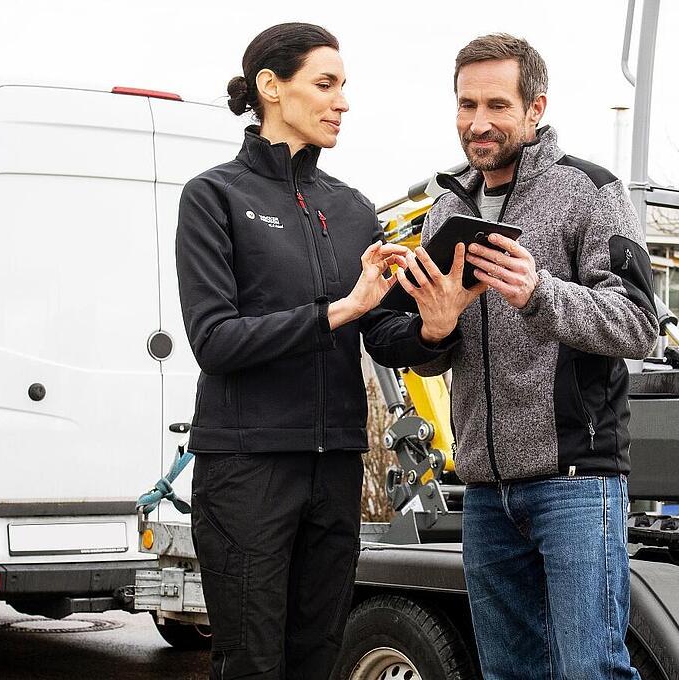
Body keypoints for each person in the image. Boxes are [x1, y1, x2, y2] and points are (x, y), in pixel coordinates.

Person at [173, 22, 471, 680]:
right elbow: (214, 341)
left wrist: (435, 325)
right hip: (247, 470)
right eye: (326, 84)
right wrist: (342, 308)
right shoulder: (214, 196)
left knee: (317, 659)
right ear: (271, 88)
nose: (342, 102)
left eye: (345, 87)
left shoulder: (354, 208)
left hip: (334, 467)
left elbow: (383, 336)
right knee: (252, 662)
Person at [406, 33, 659, 680]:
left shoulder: (591, 193)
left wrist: (539, 293)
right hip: (486, 490)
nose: (478, 122)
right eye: (466, 105)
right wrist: (431, 334)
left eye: (496, 104)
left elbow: (638, 325)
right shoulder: (444, 212)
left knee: (590, 670)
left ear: (535, 108)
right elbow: (438, 358)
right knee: (508, 674)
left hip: (575, 479)